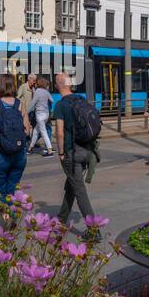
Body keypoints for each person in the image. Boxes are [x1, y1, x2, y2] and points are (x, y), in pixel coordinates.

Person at [52, 71, 96, 226]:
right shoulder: (81, 99)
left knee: (79, 191)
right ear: (70, 85)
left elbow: (59, 132)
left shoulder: (60, 105)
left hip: (72, 153)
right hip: (86, 150)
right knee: (72, 185)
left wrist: (61, 152)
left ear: (58, 86)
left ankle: (94, 230)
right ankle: (61, 218)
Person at [0, 74, 30, 201]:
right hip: (19, 152)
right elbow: (26, 131)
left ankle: (4, 215)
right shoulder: (20, 104)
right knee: (11, 190)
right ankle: (11, 216)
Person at [29, 76, 56, 158]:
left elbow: (32, 104)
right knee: (36, 131)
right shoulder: (46, 92)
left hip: (39, 115)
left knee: (43, 133)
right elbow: (52, 100)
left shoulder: (37, 92)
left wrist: (26, 112)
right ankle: (30, 148)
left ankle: (50, 150)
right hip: (46, 115)